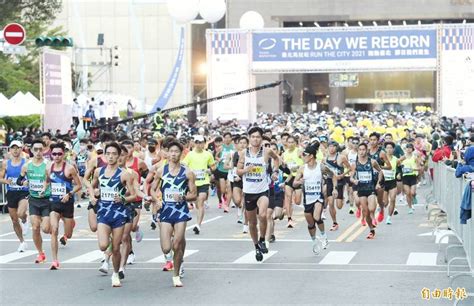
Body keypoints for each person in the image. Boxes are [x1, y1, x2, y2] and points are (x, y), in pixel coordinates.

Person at [88, 142, 136, 287]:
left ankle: (115, 273)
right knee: (103, 245)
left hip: (119, 214)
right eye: (108, 153)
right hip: (103, 212)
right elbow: (92, 185)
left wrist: (123, 198)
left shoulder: (124, 174)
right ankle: (110, 257)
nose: (110, 156)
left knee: (116, 248)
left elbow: (133, 195)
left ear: (118, 155)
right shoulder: (99, 172)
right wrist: (93, 195)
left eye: (114, 154)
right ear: (104, 155)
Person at [150, 141, 197, 287]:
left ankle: (176, 275)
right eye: (171, 151)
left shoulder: (188, 172)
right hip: (166, 211)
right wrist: (156, 200)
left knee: (177, 243)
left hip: (181, 211)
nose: (174, 154)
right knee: (166, 248)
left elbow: (193, 194)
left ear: (181, 153)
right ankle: (177, 257)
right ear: (167, 153)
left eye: (177, 151)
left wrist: (183, 197)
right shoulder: (161, 171)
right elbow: (152, 189)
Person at [237, 127, 280, 261]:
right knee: (252, 222)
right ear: (249, 138)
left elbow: (277, 159)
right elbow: (238, 171)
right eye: (253, 136)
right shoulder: (244, 153)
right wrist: (245, 170)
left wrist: (275, 172)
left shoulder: (266, 151)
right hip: (249, 191)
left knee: (263, 214)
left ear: (261, 138)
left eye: (258, 137)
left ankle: (262, 239)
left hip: (262, 189)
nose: (255, 139)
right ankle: (256, 246)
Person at [46, 142, 82, 269]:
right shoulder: (48, 167)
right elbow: (47, 181)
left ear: (64, 154)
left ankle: (70, 225)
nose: (56, 156)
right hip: (53, 203)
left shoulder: (69, 168)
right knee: (54, 230)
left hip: (67, 204)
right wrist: (43, 189)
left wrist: (69, 194)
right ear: (51, 154)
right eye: (54, 154)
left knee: (69, 234)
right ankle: (55, 261)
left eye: (59, 154)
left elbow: (79, 185)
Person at [293, 142, 332, 254]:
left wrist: (329, 187)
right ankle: (314, 242)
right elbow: (295, 183)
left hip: (318, 197)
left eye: (304, 154)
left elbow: (332, 175)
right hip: (307, 199)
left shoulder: (321, 166)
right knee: (310, 224)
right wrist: (299, 182)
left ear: (311, 156)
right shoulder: (302, 168)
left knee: (316, 217)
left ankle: (324, 236)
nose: (303, 156)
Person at [17, 139, 51, 263]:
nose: (38, 152)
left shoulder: (48, 165)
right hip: (34, 200)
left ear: (44, 150)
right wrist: (23, 182)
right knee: (35, 227)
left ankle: (54, 228)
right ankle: (41, 253)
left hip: (47, 200)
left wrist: (46, 186)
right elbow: (18, 180)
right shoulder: (27, 165)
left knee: (46, 229)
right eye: (35, 149)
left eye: (40, 149)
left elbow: (53, 179)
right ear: (31, 150)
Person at [182, 135, 216, 235]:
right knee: (196, 204)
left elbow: (213, 166)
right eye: (197, 142)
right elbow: (184, 165)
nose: (199, 144)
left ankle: (198, 225)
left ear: (204, 143)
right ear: (194, 143)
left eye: (201, 142)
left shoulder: (208, 154)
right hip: (192, 183)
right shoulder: (190, 154)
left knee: (200, 201)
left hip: (204, 181)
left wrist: (209, 170)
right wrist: (190, 171)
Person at [0, 140, 30, 252]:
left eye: (17, 148)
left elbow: (32, 175)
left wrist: (28, 182)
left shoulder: (26, 162)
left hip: (23, 191)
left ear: (21, 149)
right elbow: (0, 178)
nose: (15, 150)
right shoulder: (5, 163)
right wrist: (6, 181)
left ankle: (25, 220)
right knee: (14, 220)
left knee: (20, 213)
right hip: (11, 192)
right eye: (13, 148)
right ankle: (22, 242)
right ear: (10, 150)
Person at [349, 143, 383, 239]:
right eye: (360, 150)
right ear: (358, 151)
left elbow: (380, 171)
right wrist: (354, 180)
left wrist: (378, 183)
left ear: (366, 150)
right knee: (366, 212)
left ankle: (373, 218)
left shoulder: (372, 162)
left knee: (372, 208)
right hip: (361, 190)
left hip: (371, 188)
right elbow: (351, 177)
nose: (362, 151)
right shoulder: (355, 164)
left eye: (363, 149)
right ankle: (371, 230)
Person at [324, 141, 350, 231]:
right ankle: (334, 222)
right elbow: (323, 170)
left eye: (333, 147)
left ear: (336, 148)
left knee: (339, 206)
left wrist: (343, 175)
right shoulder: (325, 158)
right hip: (329, 181)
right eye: (330, 147)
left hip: (339, 181)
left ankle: (341, 198)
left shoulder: (341, 157)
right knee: (331, 203)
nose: (331, 149)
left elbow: (350, 168)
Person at [281, 136, 303, 228]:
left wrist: (297, 167)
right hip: (288, 178)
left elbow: (305, 162)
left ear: (295, 143)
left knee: (297, 201)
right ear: (286, 143)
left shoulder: (299, 151)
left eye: (292, 142)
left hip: (297, 177)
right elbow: (282, 167)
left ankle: (290, 207)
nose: (290, 144)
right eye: (288, 142)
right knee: (288, 197)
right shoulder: (284, 154)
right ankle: (289, 219)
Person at [398, 143, 422, 214]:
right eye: (407, 148)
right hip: (405, 176)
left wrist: (413, 169)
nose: (408, 149)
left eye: (410, 148)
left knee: (412, 192)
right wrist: (400, 170)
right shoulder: (403, 157)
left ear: (412, 149)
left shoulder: (415, 157)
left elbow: (419, 168)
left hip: (413, 176)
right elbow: (397, 163)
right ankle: (410, 207)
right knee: (407, 193)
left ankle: (414, 196)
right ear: (405, 149)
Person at [214, 132, 235, 212]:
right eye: (225, 137)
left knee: (229, 188)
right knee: (223, 190)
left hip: (230, 170)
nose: (227, 139)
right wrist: (220, 160)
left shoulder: (233, 147)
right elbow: (216, 156)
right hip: (221, 170)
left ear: (231, 138)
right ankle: (224, 197)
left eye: (228, 137)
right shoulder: (221, 147)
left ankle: (226, 204)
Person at [382, 142, 399, 225]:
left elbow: (399, 168)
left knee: (392, 199)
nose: (389, 149)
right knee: (385, 203)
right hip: (384, 182)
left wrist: (399, 174)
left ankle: (389, 218)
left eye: (391, 148)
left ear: (393, 149)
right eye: (387, 148)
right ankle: (382, 210)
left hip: (392, 181)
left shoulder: (395, 159)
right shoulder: (382, 159)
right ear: (385, 149)